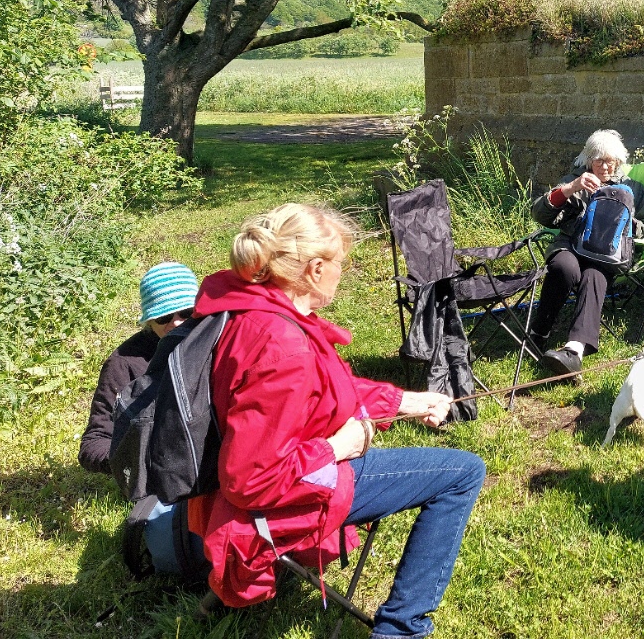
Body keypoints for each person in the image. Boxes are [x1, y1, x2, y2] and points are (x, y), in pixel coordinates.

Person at [187, 203, 484, 637]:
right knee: (463, 472)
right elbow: (250, 479)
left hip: (272, 476)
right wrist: (336, 447)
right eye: (340, 263)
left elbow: (326, 388)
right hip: (279, 501)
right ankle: (400, 629)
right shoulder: (282, 345)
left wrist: (405, 401)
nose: (341, 273)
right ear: (315, 269)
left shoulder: (254, 310)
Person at [528, 129, 644, 378]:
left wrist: (625, 222)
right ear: (588, 160)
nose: (605, 167)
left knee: (594, 276)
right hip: (571, 245)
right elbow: (540, 214)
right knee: (563, 267)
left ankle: (574, 352)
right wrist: (570, 188)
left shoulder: (632, 188)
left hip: (607, 254)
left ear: (618, 161)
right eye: (598, 160)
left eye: (610, 161)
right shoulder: (577, 181)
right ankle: (539, 332)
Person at [79, 261, 199, 475]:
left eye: (186, 313)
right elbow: (95, 442)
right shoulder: (124, 363)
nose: (177, 323)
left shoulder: (217, 342)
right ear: (149, 321)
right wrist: (139, 465)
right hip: (160, 470)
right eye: (164, 317)